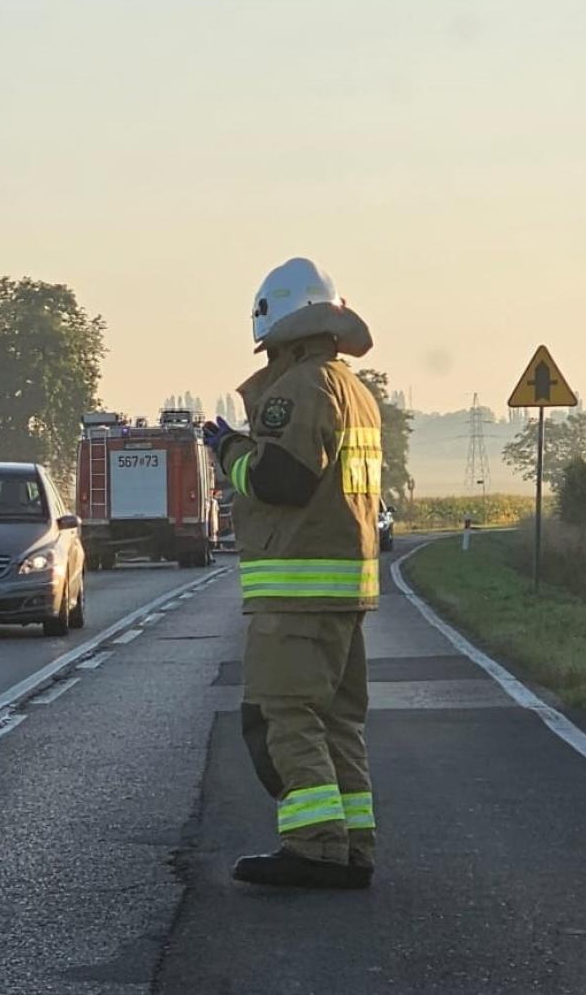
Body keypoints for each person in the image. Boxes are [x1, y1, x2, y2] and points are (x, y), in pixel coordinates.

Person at [203, 258, 383, 890]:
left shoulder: (301, 387)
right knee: (337, 723)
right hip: (344, 592)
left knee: (284, 716)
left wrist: (228, 449)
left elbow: (282, 480)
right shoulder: (355, 390)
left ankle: (313, 847)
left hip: (296, 596)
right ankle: (352, 845)